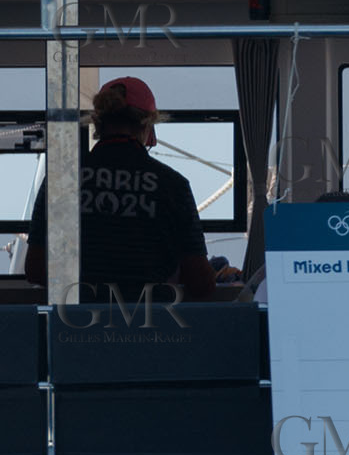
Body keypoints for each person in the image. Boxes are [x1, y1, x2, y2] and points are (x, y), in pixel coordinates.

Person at [24, 76, 215, 303]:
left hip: (74, 328)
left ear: (97, 122)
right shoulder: (173, 185)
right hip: (149, 327)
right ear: (147, 126)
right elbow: (200, 284)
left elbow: (35, 269)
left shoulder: (60, 180)